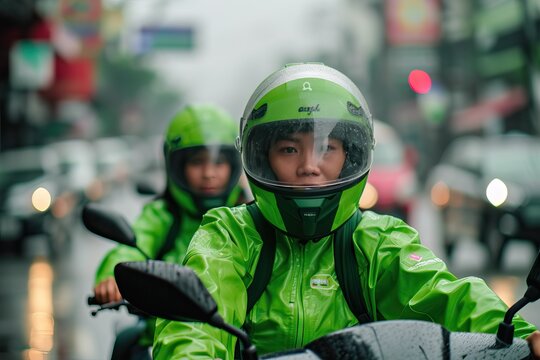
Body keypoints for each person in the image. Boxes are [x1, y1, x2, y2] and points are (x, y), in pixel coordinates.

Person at [153, 63, 540, 359]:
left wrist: (521, 337)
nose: (309, 165)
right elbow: (194, 326)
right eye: (289, 149)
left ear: (350, 155)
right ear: (263, 158)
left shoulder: (376, 241)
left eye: (326, 148)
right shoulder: (229, 236)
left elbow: (446, 296)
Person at [93, 103, 247, 351]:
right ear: (176, 166)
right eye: (197, 162)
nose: (209, 173)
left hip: (238, 342)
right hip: (162, 341)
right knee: (127, 344)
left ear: (233, 164)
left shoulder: (249, 217)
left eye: (219, 163)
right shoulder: (163, 215)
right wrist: (112, 276)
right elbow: (134, 244)